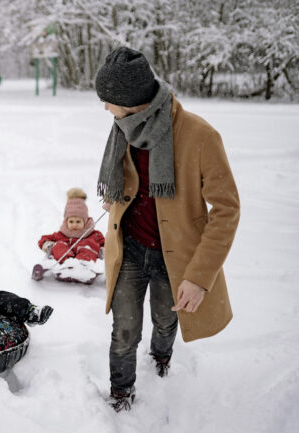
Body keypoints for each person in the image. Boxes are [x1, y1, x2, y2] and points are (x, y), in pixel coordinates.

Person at [94, 47, 240, 412]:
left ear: (133, 101)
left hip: (175, 257)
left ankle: (161, 358)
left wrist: (200, 277)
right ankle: (121, 394)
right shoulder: (123, 128)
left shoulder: (200, 136)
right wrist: (117, 200)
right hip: (130, 247)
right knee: (123, 331)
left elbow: (226, 210)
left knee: (164, 321)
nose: (105, 109)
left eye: (110, 101)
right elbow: (131, 182)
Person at [37, 188, 105, 262]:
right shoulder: (61, 235)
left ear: (85, 221)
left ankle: (82, 264)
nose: (74, 224)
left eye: (78, 221)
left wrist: (103, 250)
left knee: (89, 244)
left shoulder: (95, 235)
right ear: (66, 222)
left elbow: (107, 244)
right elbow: (44, 239)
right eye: (71, 222)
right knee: (59, 245)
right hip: (64, 265)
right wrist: (49, 246)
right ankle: (68, 265)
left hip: (86, 266)